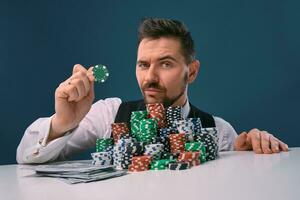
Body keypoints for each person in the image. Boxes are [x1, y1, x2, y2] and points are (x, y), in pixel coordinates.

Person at [16, 18, 289, 164]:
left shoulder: (218, 131)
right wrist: (62, 123)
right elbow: (26, 157)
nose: (150, 77)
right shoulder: (109, 114)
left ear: (191, 72)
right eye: (143, 65)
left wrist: (251, 153)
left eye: (166, 64)